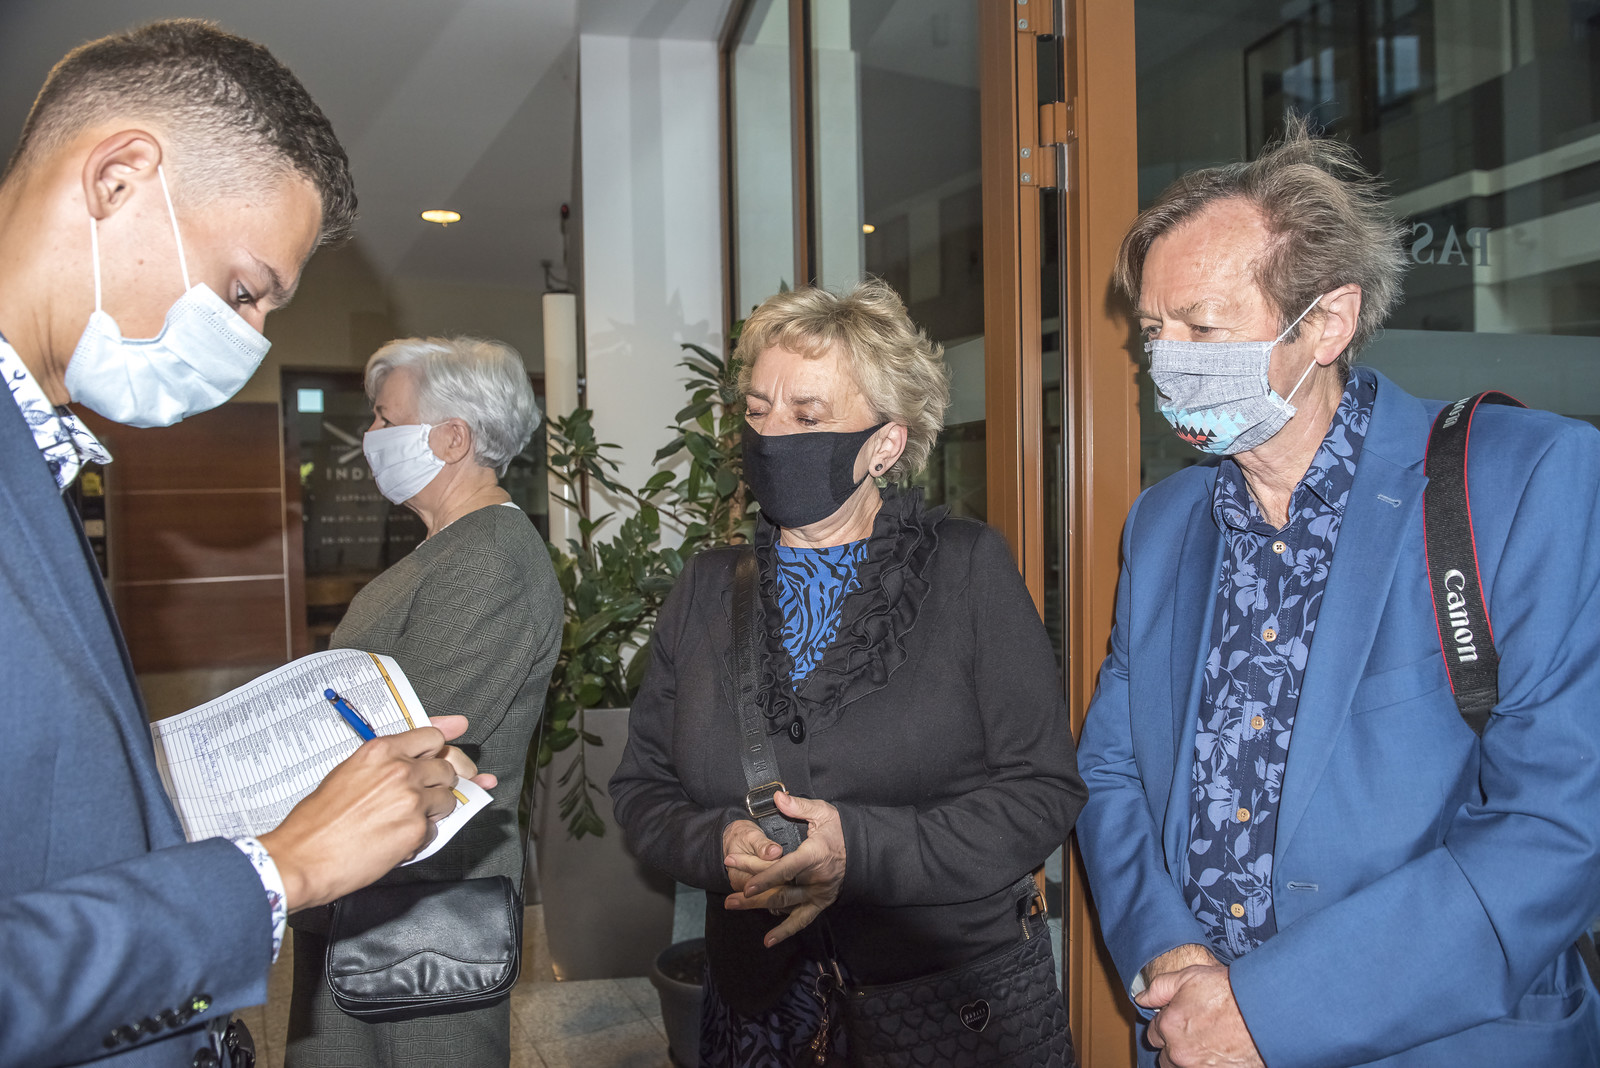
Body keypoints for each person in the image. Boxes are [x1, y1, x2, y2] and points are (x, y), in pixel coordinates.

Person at [0, 22, 494, 1068]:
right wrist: (276, 869)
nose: (252, 341)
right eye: (242, 289)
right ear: (119, 180)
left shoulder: (39, 461)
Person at [1075, 117, 1600, 1068]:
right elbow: (1112, 769)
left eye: (1203, 326)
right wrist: (1170, 954)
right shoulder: (1164, 523)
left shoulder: (1523, 481)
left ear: (1327, 321)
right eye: (1154, 331)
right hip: (1189, 1031)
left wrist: (1264, 1012)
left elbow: (1556, 828)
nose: (1169, 359)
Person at [610, 279, 1085, 1066]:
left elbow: (1043, 792)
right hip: (759, 1011)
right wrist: (719, 842)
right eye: (758, 410)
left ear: (885, 445)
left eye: (807, 416)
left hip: (944, 1009)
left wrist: (859, 848)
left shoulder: (967, 570)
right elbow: (641, 789)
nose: (771, 435)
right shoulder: (704, 589)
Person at [285, 337, 561, 1066]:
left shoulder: (488, 558)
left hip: (422, 909)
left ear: (452, 438)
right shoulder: (450, 546)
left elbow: (417, 735)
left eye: (385, 418)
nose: (370, 435)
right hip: (380, 888)